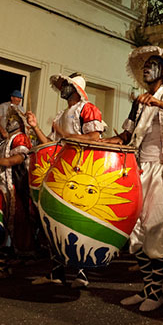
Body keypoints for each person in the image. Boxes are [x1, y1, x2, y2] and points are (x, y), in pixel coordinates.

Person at [102, 46, 163, 312]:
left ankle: (156, 294)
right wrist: (93, 143)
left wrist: (160, 103)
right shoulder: (139, 101)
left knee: (156, 230)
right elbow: (125, 137)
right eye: (144, 64)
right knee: (136, 230)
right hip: (138, 169)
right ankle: (147, 288)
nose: (146, 67)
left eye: (152, 63)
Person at [27, 72, 105, 287]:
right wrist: (34, 127)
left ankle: (81, 273)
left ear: (76, 89)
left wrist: (68, 138)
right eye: (61, 85)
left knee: (74, 222)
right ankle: (56, 272)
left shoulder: (88, 109)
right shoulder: (61, 115)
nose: (62, 88)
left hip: (80, 171)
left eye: (65, 85)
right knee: (54, 221)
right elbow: (51, 144)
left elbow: (94, 137)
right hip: (59, 170)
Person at [0, 105, 33, 279]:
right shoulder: (6, 141)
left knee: (10, 226)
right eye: (9, 119)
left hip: (13, 188)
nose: (9, 121)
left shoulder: (20, 138)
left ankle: (4, 266)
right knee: (5, 226)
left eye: (14, 119)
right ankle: (8, 262)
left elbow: (18, 159)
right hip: (2, 187)